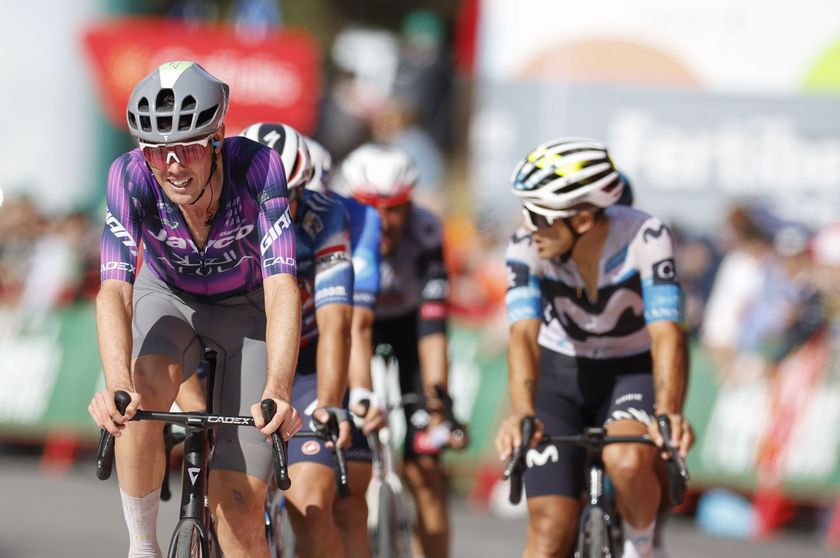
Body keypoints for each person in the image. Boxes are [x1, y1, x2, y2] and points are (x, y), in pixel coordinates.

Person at [86, 61, 302, 558]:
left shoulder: (259, 168)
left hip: (245, 309)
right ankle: (143, 546)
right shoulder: (129, 175)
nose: (173, 165)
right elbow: (114, 290)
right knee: (138, 396)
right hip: (168, 297)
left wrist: (278, 390)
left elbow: (283, 285)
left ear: (217, 136)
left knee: (240, 514)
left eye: (187, 146)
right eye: (158, 151)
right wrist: (116, 382)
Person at [494, 138, 694, 558]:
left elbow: (667, 333)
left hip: (629, 370)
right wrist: (522, 413)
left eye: (538, 214)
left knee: (626, 459)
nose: (527, 224)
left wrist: (669, 411)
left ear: (583, 219)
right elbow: (523, 336)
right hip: (559, 374)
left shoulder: (647, 235)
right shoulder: (526, 246)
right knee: (549, 531)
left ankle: (643, 547)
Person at [336, 143, 467, 558]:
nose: (383, 220)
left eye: (395, 207)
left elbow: (433, 329)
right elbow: (349, 329)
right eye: (370, 206)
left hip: (411, 328)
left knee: (426, 466)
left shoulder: (427, 230)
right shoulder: (335, 229)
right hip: (354, 328)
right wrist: (360, 397)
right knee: (345, 460)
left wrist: (437, 403)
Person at [240, 122, 355, 557]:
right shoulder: (217, 211)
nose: (269, 211)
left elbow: (336, 322)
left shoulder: (326, 217)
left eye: (283, 199)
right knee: (224, 498)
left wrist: (329, 401)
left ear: (303, 189)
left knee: (308, 504)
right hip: (239, 353)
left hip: (303, 359)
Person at [305, 137, 385, 558]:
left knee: (349, 488)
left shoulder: (352, 217)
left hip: (338, 338)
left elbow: (353, 323)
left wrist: (362, 392)